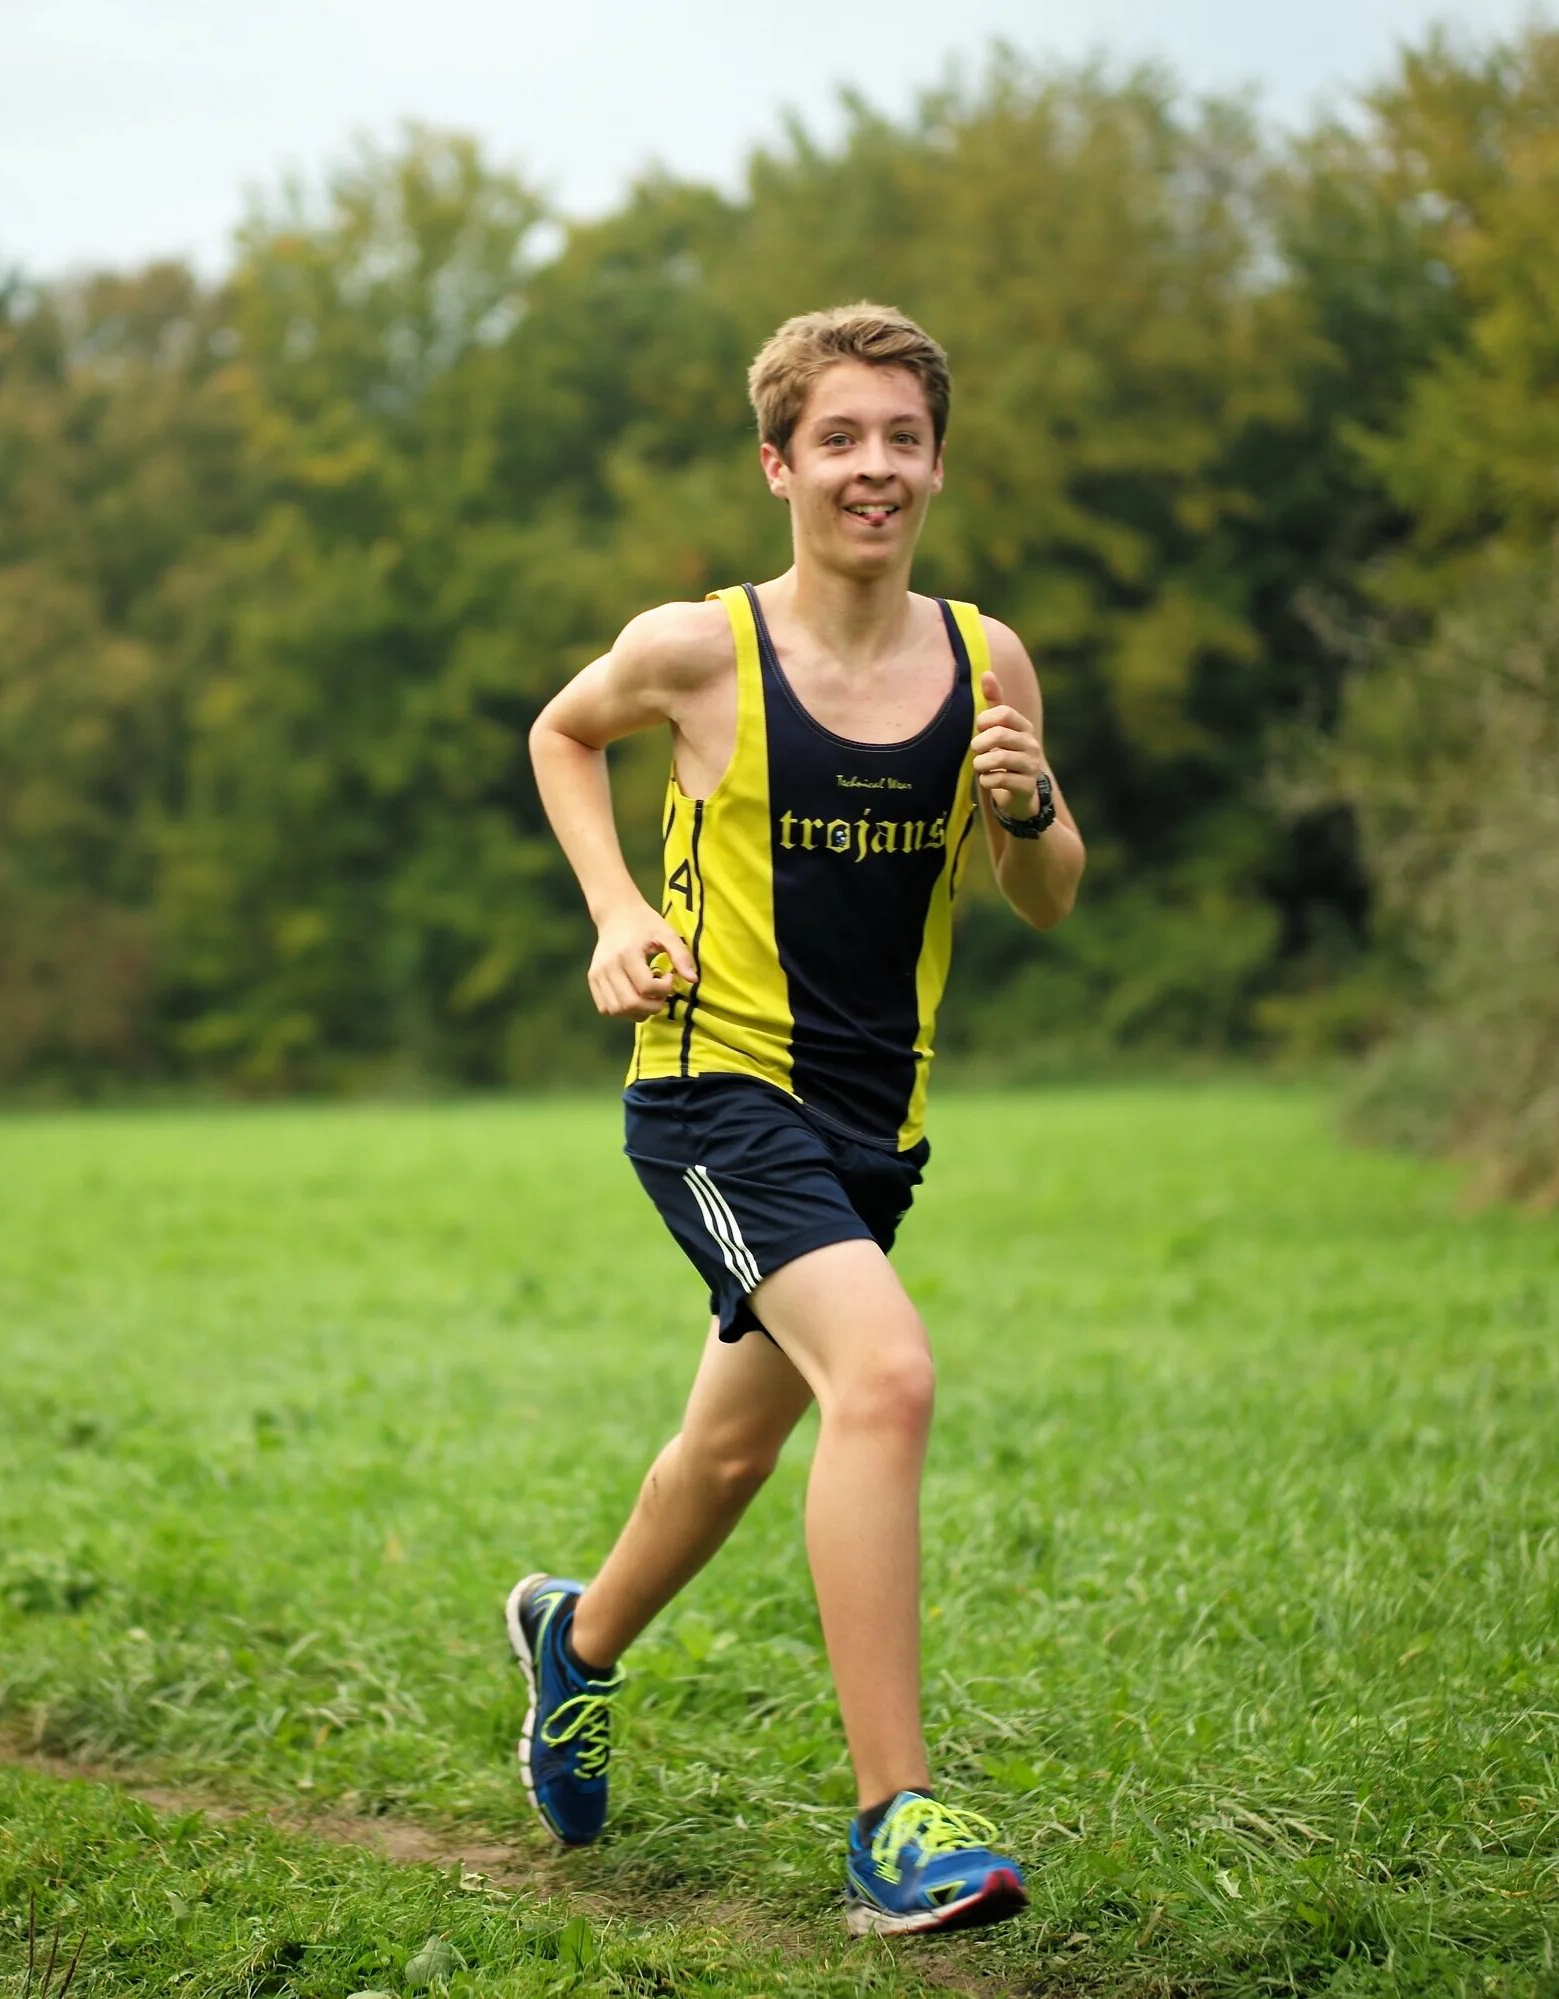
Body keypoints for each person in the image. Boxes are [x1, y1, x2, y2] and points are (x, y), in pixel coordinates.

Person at [512, 302, 1085, 1936]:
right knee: (886, 1377)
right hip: (709, 1092)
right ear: (779, 463)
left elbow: (1048, 897)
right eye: (840, 438)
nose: (874, 468)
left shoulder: (987, 662)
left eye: (902, 439)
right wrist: (616, 911)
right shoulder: (699, 648)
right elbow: (562, 733)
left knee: (735, 1445)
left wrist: (1029, 806)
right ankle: (894, 1822)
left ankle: (579, 1640)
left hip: (869, 1123)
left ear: (938, 464)